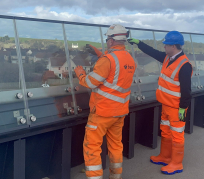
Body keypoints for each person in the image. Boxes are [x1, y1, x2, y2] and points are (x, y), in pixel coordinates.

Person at [74, 24, 136, 179]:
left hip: (102, 112)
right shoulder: (129, 58)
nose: (107, 41)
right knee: (115, 145)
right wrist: (99, 53)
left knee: (92, 147)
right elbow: (114, 69)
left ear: (111, 41)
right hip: (120, 111)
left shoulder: (107, 60)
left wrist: (80, 73)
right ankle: (116, 176)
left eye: (108, 38)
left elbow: (90, 82)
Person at [128, 31, 192, 175]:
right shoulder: (168, 58)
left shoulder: (184, 65)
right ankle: (165, 156)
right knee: (165, 131)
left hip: (176, 108)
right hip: (166, 105)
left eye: (166, 44)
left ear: (174, 46)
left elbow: (187, 90)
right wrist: (139, 43)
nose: (164, 46)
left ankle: (176, 163)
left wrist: (183, 108)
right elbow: (152, 52)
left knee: (177, 135)